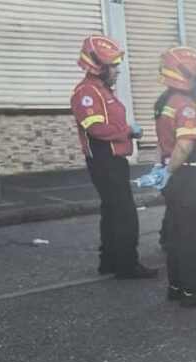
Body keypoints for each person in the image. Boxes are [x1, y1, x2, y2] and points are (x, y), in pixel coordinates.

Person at [71, 35, 157, 280]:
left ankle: (109, 260)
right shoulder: (87, 92)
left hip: (111, 160)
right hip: (104, 160)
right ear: (99, 66)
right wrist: (128, 131)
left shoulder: (100, 90)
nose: (118, 71)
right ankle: (127, 264)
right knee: (124, 214)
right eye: (114, 66)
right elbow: (95, 129)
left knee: (111, 212)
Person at [153, 46, 196, 307]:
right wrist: (171, 170)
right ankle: (192, 291)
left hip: (175, 177)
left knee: (177, 235)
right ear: (189, 75)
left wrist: (164, 171)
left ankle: (176, 286)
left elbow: (163, 143)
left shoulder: (164, 101)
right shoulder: (186, 106)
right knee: (193, 236)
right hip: (189, 176)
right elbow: (185, 145)